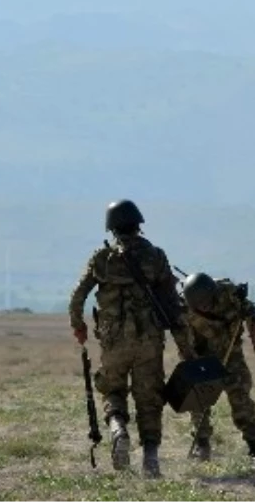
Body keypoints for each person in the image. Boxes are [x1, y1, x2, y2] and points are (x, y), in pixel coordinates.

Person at [68, 199, 195, 477]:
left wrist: (79, 326)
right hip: (149, 340)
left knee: (112, 390)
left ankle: (117, 429)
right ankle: (151, 459)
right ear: (139, 224)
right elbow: (173, 305)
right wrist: (186, 348)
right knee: (149, 398)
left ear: (112, 228)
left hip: (113, 341)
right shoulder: (156, 257)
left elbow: (77, 296)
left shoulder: (101, 259)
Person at [180, 271, 255, 465]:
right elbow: (183, 340)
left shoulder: (228, 293)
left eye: (205, 302)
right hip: (203, 358)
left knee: (241, 398)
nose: (202, 306)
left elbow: (248, 307)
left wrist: (253, 320)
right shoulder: (184, 309)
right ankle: (202, 444)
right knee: (197, 401)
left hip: (231, 353)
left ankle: (254, 449)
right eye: (198, 304)